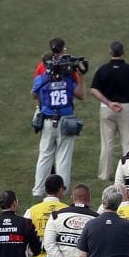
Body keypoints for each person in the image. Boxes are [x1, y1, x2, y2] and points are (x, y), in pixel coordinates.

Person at [88, 42, 129, 182]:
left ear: (110, 52)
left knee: (107, 144)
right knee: (128, 142)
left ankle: (104, 174)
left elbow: (93, 90)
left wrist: (109, 103)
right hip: (126, 108)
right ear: (123, 52)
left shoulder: (103, 69)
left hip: (107, 108)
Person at [31, 41, 80, 197]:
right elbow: (79, 94)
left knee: (44, 156)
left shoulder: (41, 79)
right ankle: (62, 189)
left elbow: (34, 94)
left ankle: (38, 189)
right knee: (63, 158)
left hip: (47, 120)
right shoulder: (67, 80)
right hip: (65, 121)